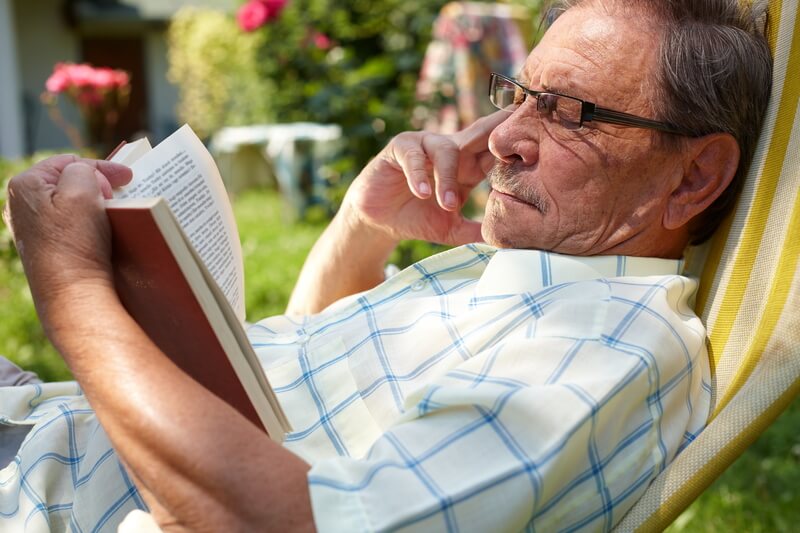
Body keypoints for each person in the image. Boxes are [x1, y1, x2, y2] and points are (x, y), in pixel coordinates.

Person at [1, 0, 771, 531]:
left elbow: (281, 522)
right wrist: (362, 227)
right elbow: (304, 375)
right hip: (37, 425)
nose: (503, 136)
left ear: (694, 177)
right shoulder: (541, 260)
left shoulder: (607, 350)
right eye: (523, 93)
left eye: (570, 112)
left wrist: (72, 291)